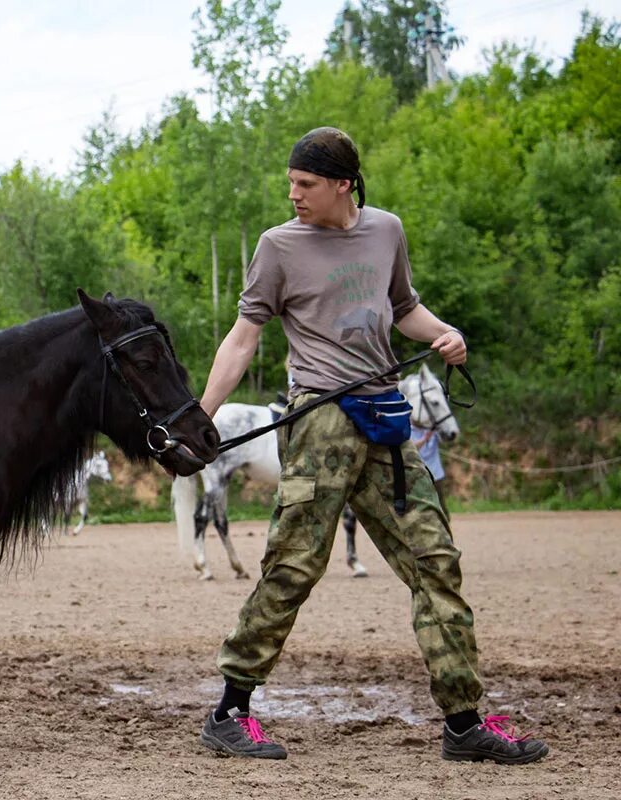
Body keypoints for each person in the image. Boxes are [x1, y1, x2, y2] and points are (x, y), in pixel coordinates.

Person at [195, 127, 548, 764]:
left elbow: (405, 306)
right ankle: (228, 711)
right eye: (291, 184)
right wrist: (202, 416)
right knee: (295, 565)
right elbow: (243, 337)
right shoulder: (278, 245)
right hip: (321, 420)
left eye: (305, 185)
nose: (293, 195)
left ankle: (464, 723)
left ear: (343, 184)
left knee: (435, 560)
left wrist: (445, 334)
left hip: (387, 421)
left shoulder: (386, 230)